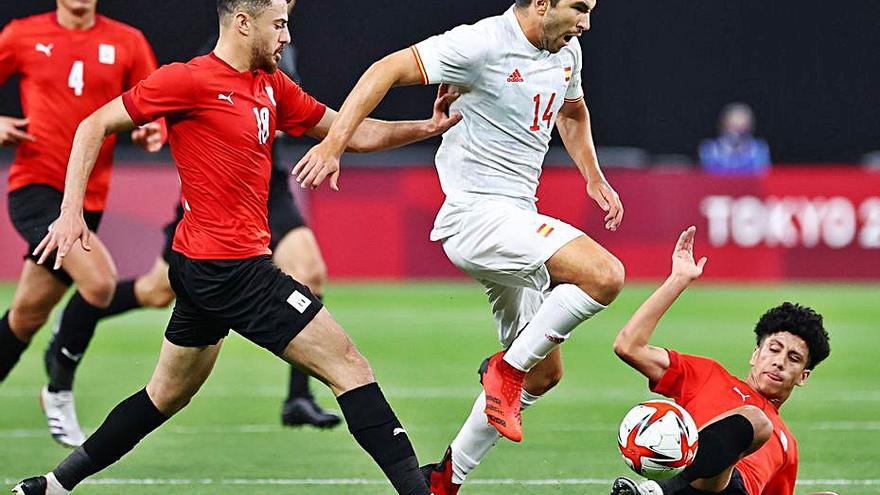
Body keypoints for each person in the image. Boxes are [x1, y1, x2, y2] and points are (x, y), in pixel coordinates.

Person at [11, 0, 462, 493]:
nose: (287, 36)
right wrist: (71, 212)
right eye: (280, 24)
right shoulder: (187, 80)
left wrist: (426, 128)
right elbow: (92, 124)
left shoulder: (271, 85)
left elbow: (351, 132)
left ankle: (50, 486)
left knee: (163, 396)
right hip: (231, 270)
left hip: (207, 267)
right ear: (244, 24)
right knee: (348, 365)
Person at [293, 0, 625, 492]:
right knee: (605, 274)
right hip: (476, 217)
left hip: (516, 217)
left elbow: (572, 110)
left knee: (544, 374)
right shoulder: (481, 43)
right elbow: (385, 69)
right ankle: (504, 373)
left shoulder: (567, 52)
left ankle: (445, 479)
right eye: (579, 7)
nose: (586, 22)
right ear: (540, 4)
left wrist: (593, 178)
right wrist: (333, 144)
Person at [41, 36, 339, 451]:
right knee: (155, 290)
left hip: (268, 185)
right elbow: (182, 102)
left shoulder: (281, 39)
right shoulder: (231, 47)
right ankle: (79, 317)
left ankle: (298, 398)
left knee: (310, 272)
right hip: (216, 198)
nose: (285, 26)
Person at [0, 0, 164, 401]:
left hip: (89, 197)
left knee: (27, 315)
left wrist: (152, 131)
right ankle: (59, 387)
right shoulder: (22, 34)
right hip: (34, 186)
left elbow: (155, 103)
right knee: (99, 282)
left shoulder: (127, 41)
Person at [610, 226, 832, 495]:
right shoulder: (707, 375)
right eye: (774, 349)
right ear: (755, 354)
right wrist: (678, 279)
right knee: (757, 420)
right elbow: (628, 346)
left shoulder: (788, 446)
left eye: (793, 358)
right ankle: (658, 490)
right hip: (690, 485)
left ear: (803, 376)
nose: (779, 362)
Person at [698, 103, 771, 176]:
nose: (737, 134)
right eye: (733, 128)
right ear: (724, 125)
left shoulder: (759, 150)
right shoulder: (709, 150)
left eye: (742, 130)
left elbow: (764, 178)